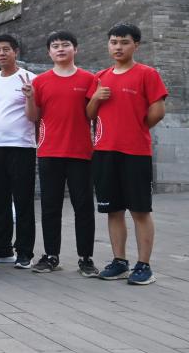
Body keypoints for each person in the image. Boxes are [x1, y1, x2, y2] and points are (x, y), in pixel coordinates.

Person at [87, 23, 168, 285]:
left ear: (136, 45)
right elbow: (89, 114)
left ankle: (144, 266)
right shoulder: (100, 77)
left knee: (140, 210)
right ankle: (119, 261)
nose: (118, 47)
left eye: (124, 42)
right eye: (114, 42)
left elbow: (158, 111)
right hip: (104, 152)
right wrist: (96, 98)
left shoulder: (147, 74)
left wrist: (136, 128)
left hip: (135, 152)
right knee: (113, 210)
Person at [22, 30, 97, 276]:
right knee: (50, 206)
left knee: (83, 207)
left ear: (76, 49)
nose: (61, 49)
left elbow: (92, 114)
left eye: (66, 45)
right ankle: (51, 255)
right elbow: (33, 117)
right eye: (55, 46)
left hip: (81, 152)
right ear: (49, 52)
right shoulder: (40, 82)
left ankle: (86, 258)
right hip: (49, 151)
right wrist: (30, 98)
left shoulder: (89, 79)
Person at [0, 34, 37, 268]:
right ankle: (2, 249)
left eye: (6, 49)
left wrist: (30, 96)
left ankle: (24, 252)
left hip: (21, 146)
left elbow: (35, 116)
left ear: (16, 51)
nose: (1, 53)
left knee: (23, 200)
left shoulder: (30, 79)